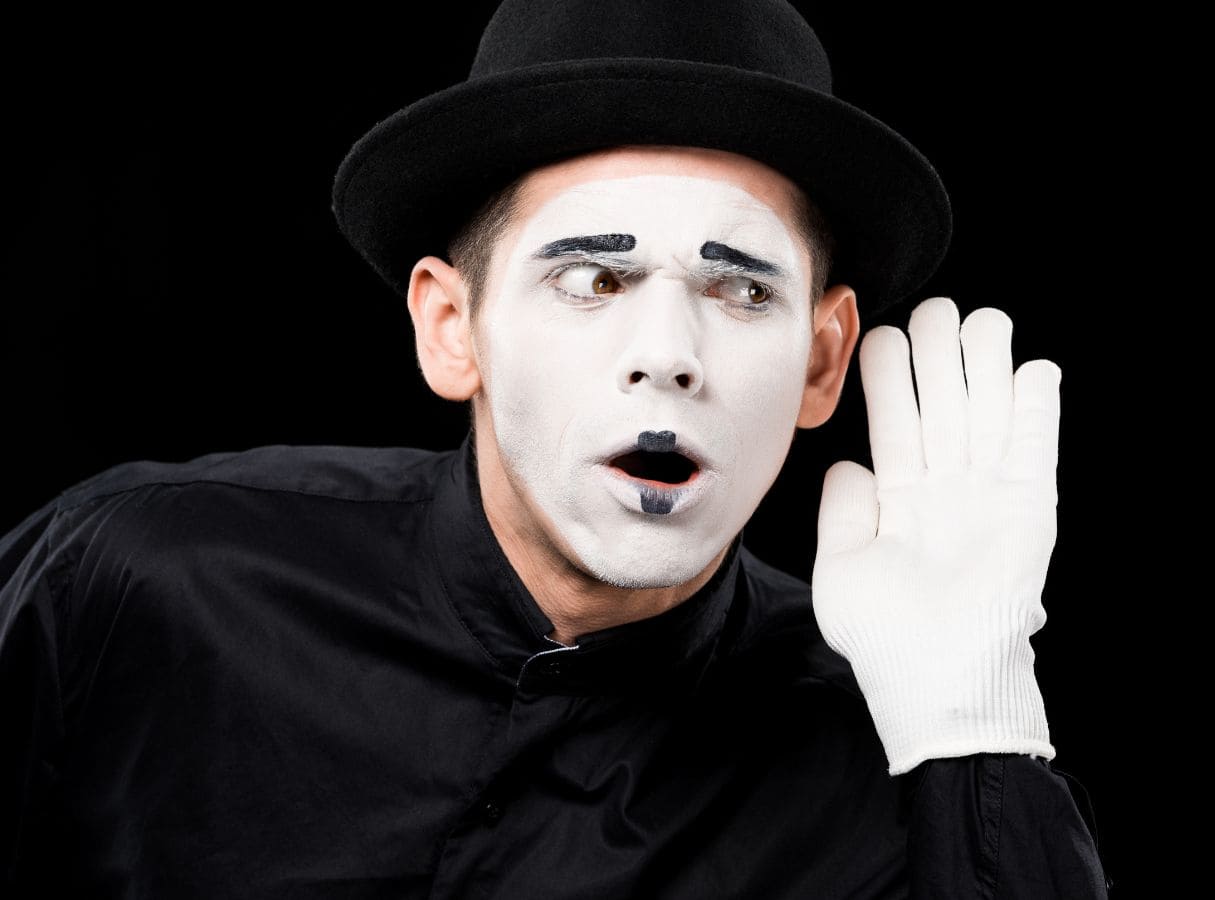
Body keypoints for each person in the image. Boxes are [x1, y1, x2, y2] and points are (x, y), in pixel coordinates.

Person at [1, 1, 1107, 897]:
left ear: (822, 364)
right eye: (592, 278)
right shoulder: (137, 581)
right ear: (452, 328)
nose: (668, 355)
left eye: (738, 288)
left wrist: (975, 729)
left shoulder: (879, 758)